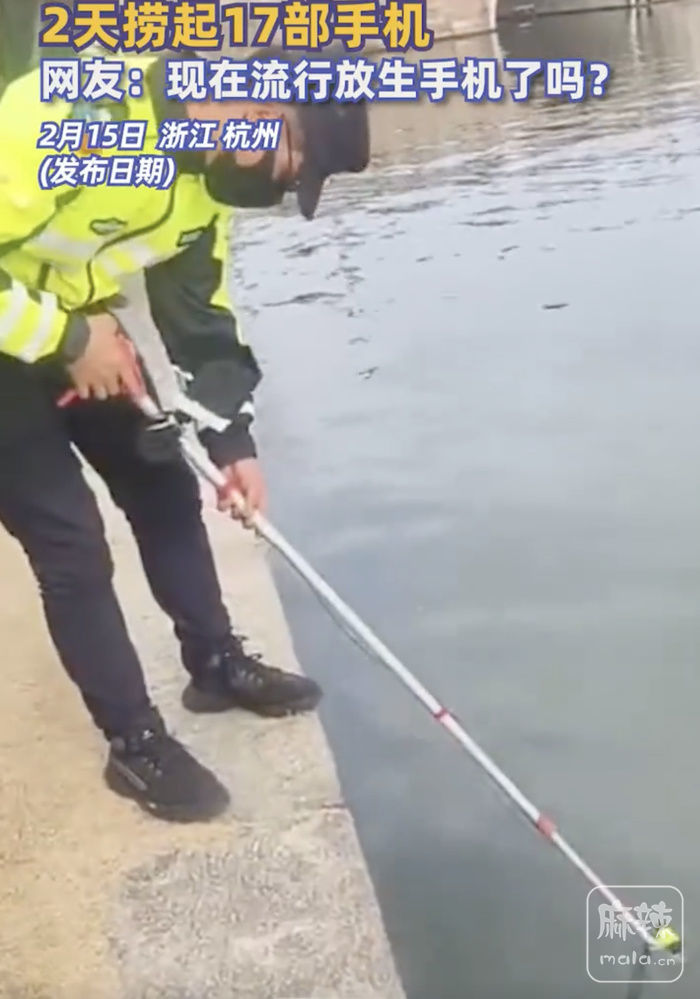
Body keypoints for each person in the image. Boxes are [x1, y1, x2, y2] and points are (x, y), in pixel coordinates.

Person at [0, 48, 370, 822]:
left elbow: (203, 322)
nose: (277, 190)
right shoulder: (81, 117)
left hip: (75, 326)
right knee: (71, 542)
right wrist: (68, 337)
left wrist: (234, 445)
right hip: (36, 334)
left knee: (165, 486)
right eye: (290, 167)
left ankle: (213, 661)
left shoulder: (203, 182)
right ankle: (134, 742)